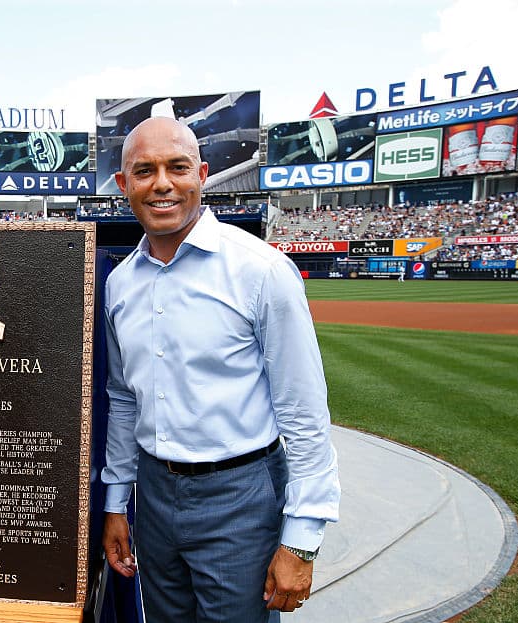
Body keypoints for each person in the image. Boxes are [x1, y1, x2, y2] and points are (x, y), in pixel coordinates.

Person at [101, 117, 340, 622]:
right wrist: (117, 502)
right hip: (154, 494)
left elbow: (303, 413)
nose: (162, 183)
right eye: (143, 171)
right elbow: (123, 397)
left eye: (177, 167)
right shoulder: (120, 283)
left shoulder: (262, 270)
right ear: (124, 185)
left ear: (202, 174)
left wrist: (302, 538)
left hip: (241, 495)